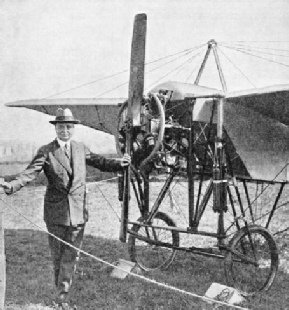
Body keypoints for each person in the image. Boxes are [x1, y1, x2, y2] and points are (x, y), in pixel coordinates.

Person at [1, 108, 131, 309]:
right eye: (61, 127)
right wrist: (11, 185)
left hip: (78, 212)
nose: (65, 131)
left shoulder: (81, 148)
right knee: (59, 255)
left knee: (72, 253)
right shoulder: (46, 151)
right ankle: (62, 290)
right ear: (56, 129)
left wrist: (120, 164)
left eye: (69, 127)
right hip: (56, 214)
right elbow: (29, 174)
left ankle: (62, 293)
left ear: (73, 129)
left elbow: (101, 162)